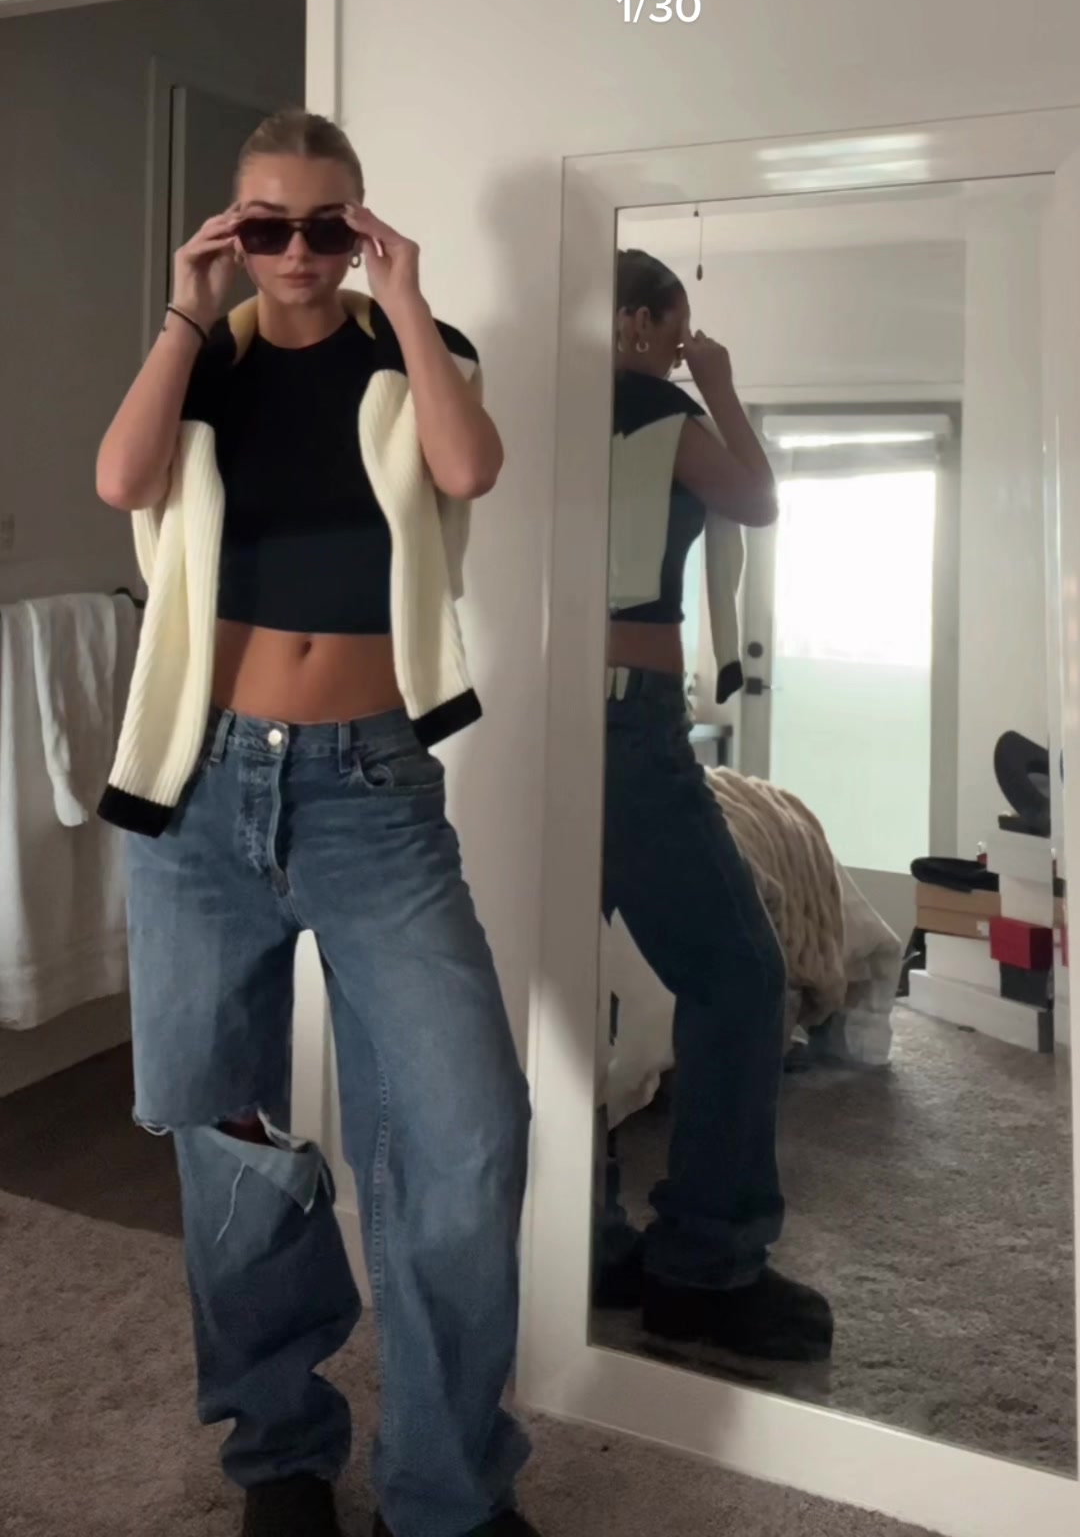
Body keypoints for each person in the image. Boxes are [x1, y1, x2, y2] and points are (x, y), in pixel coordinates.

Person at [95, 110, 538, 1537]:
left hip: (373, 796)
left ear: (361, 226)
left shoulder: (417, 351)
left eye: (325, 224)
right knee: (225, 1135)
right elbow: (121, 483)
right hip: (203, 790)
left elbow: (468, 470)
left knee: (468, 1133)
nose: (296, 250)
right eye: (266, 224)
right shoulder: (202, 363)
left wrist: (401, 301)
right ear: (233, 232)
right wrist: (184, 312)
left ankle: (444, 1491)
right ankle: (281, 1454)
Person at [597, 247, 834, 1363]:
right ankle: (707, 1265)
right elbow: (759, 500)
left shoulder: (533, 407)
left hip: (536, 715)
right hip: (627, 722)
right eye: (674, 324)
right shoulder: (657, 406)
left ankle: (588, 1239)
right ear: (648, 319)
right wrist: (720, 385)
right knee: (741, 975)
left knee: (558, 980)